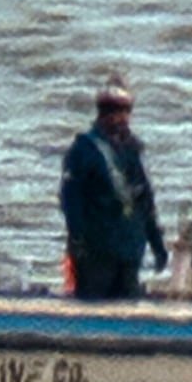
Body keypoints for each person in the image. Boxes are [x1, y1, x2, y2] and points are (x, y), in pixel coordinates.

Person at [59, 77, 164, 302]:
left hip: (130, 251)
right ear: (101, 114)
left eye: (125, 111)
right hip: (96, 253)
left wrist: (157, 244)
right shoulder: (84, 150)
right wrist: (77, 240)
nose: (120, 117)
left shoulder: (133, 150)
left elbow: (145, 200)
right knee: (91, 309)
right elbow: (71, 200)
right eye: (112, 111)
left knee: (128, 309)